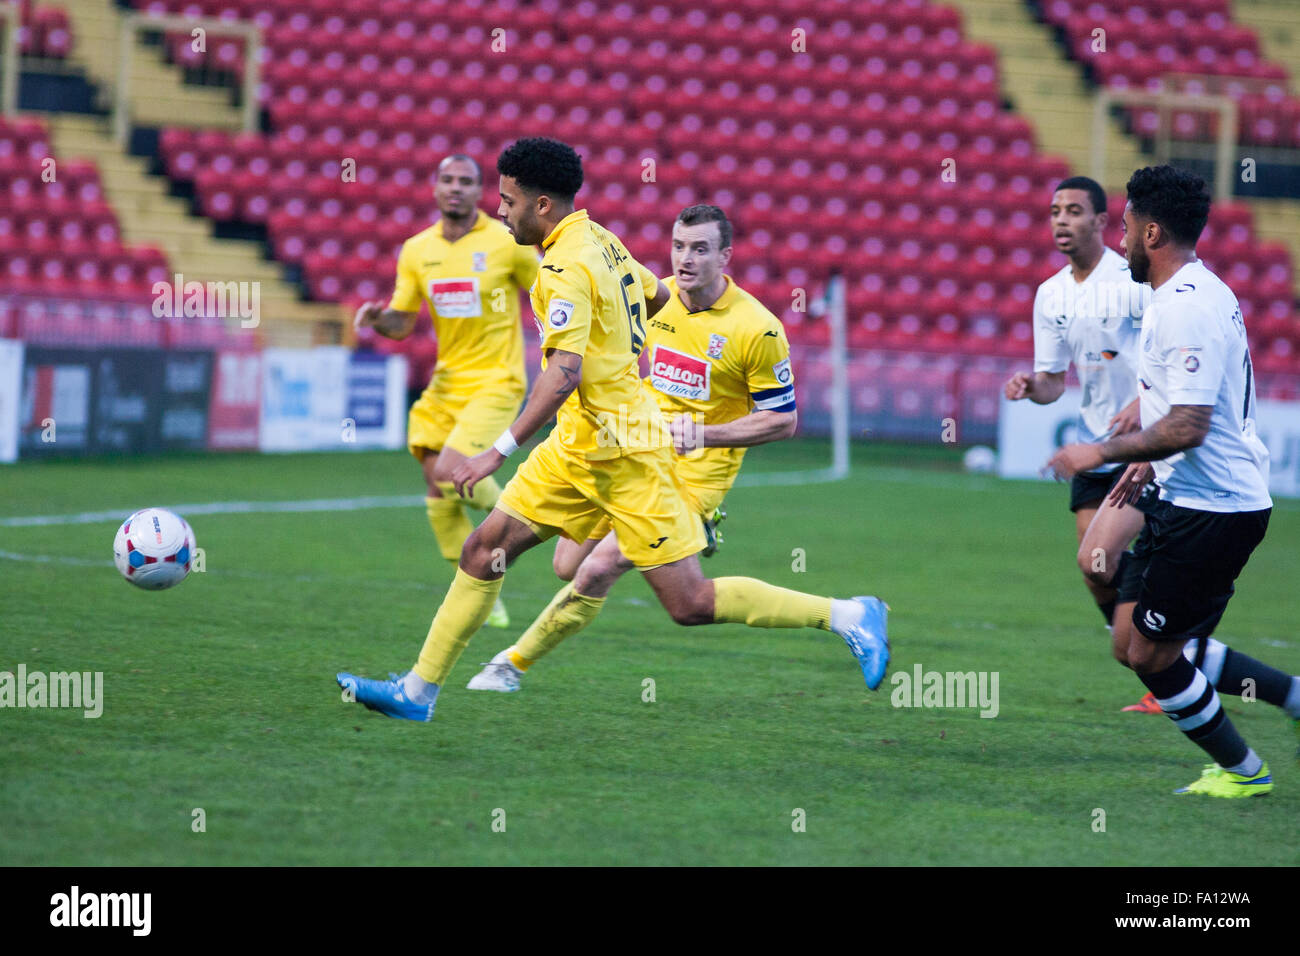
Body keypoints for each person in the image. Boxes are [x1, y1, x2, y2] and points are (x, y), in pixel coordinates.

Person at [337, 138, 888, 722]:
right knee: (485, 549)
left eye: (507, 200)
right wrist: (618, 353)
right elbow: (653, 298)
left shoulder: (561, 266)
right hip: (577, 446)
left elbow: (564, 373)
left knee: (690, 603)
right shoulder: (601, 238)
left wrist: (498, 450)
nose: (499, 211)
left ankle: (848, 614)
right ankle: (418, 692)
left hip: (627, 455)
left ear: (542, 205)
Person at [465, 203, 802, 692]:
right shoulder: (656, 298)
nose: (686, 259)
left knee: (604, 566)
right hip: (632, 456)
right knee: (569, 565)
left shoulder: (759, 329)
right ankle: (509, 666)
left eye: (701, 249)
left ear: (725, 256)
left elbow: (784, 420)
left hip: (692, 478)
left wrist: (702, 433)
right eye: (679, 246)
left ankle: (508, 667)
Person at [1048, 165, 1300, 797]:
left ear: (1152, 231)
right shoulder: (1179, 294)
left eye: (1127, 224)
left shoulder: (1186, 308)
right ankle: (1288, 698)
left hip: (1214, 510)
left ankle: (1245, 771)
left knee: (1149, 655)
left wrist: (1099, 450)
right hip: (1176, 490)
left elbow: (1189, 425)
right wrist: (1143, 453)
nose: (1121, 236)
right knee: (1107, 584)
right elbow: (1175, 410)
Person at [353, 154, 539, 629]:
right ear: (435, 187)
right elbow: (402, 321)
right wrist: (378, 319)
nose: (455, 188)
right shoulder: (417, 250)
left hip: (498, 380)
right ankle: (482, 589)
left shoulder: (507, 241)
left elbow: (551, 290)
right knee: (437, 484)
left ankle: (526, 520)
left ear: (481, 192)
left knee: (454, 470)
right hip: (447, 383)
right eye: (447, 180)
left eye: (467, 181)